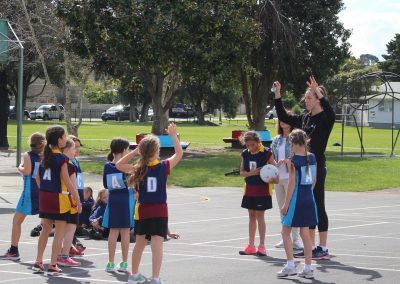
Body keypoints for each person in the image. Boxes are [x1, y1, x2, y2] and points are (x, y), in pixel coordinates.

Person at [273, 76, 335, 259]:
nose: (306, 101)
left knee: (318, 203)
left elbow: (331, 112)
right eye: (306, 98)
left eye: (310, 98)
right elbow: (284, 116)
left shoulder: (325, 118)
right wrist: (277, 96)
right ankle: (311, 246)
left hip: (316, 166)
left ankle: (323, 248)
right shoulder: (304, 118)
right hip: (300, 166)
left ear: (318, 99)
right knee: (309, 205)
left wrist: (318, 91)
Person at [121, 123, 183, 284]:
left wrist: (134, 151)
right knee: (157, 244)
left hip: (142, 210)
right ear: (157, 151)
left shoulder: (138, 168)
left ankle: (134, 274)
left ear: (142, 151)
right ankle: (155, 277)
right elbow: (179, 153)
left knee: (140, 243)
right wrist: (173, 135)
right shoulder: (163, 166)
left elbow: (118, 165)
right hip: (159, 210)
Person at [32, 125, 81, 276]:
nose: (66, 139)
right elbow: (67, 181)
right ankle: (53, 264)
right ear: (59, 139)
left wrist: (44, 190)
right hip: (59, 198)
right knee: (59, 233)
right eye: (65, 137)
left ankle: (38, 261)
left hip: (45, 197)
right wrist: (77, 199)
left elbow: (37, 178)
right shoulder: (62, 158)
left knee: (45, 230)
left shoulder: (43, 157)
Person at [277, 129, 317, 279]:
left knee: (285, 232)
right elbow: (314, 181)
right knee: (305, 234)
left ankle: (290, 265)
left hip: (296, 200)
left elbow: (291, 185)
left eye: (291, 144)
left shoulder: (292, 160)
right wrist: (307, 194)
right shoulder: (312, 157)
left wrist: (286, 205)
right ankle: (307, 267)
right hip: (309, 198)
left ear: (293, 143)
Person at [1, 133, 45, 260]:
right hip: (42, 190)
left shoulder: (28, 155)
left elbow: (27, 171)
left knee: (17, 220)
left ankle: (14, 250)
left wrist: (20, 167)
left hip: (30, 191)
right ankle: (68, 247)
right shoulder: (44, 156)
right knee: (52, 221)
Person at [238, 131, 278, 257]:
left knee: (260, 215)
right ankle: (251, 246)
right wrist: (252, 173)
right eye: (248, 145)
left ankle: (262, 246)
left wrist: (273, 178)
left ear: (258, 142)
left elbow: (275, 169)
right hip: (250, 188)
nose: (250, 147)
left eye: (253, 144)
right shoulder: (245, 154)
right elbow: (242, 172)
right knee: (251, 215)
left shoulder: (266, 153)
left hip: (262, 189)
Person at [103, 138, 135, 273]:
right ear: (123, 150)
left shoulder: (107, 166)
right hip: (126, 199)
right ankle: (124, 262)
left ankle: (110, 263)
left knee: (113, 232)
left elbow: (105, 185)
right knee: (125, 232)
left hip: (113, 199)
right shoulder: (126, 167)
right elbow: (132, 183)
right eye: (128, 149)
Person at [271, 117, 303, 251]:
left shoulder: (294, 138)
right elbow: (272, 156)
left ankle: (296, 240)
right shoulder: (276, 139)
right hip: (278, 178)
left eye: (285, 119)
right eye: (281, 120)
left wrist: (288, 161)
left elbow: (299, 154)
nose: (282, 122)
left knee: (292, 208)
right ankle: (285, 237)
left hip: (291, 177)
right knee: (282, 208)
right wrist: (274, 165)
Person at [56, 139, 81, 267]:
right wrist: (78, 201)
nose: (75, 151)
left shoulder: (54, 163)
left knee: (60, 229)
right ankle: (64, 255)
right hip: (69, 200)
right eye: (73, 149)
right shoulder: (70, 166)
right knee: (71, 228)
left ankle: (57, 254)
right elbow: (73, 186)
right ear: (66, 150)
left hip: (56, 198)